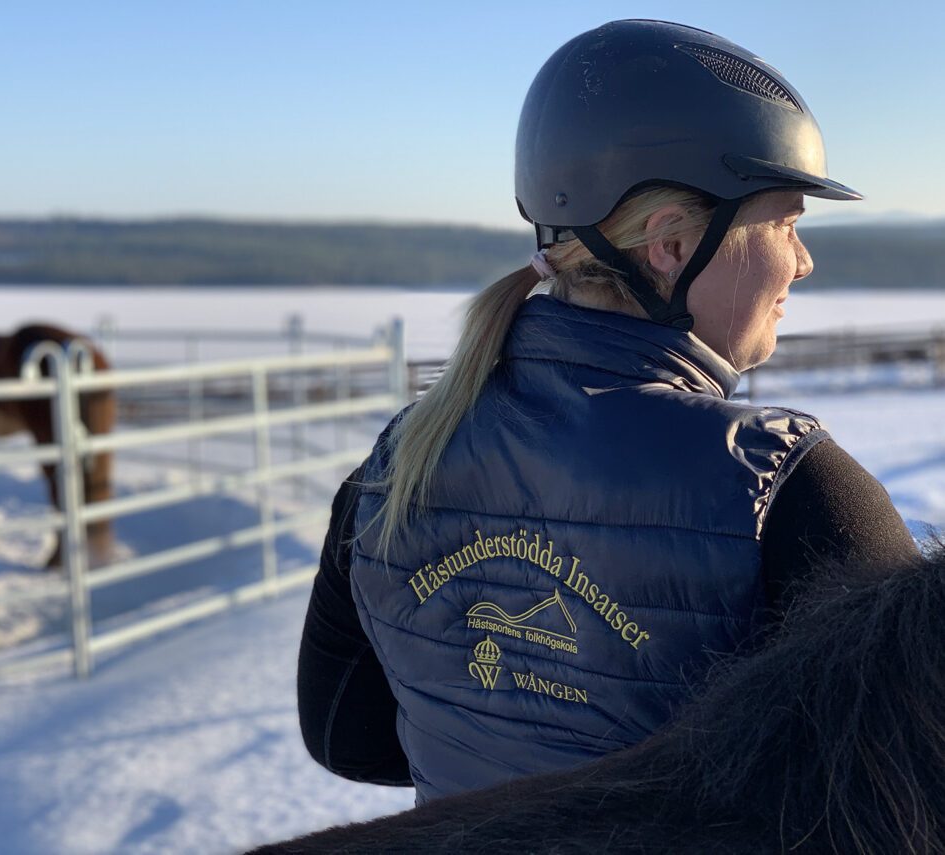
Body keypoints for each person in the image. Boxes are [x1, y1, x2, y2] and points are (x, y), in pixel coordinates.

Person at [297, 19, 919, 803]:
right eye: (786, 222)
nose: (802, 259)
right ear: (669, 243)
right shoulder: (785, 488)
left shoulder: (402, 456)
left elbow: (342, 735)